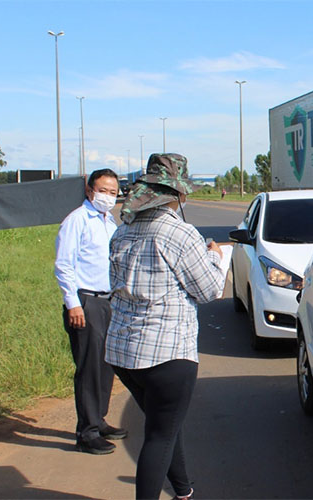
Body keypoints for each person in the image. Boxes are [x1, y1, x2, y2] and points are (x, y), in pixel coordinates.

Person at [106, 153, 225, 500]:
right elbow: (208, 291)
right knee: (159, 435)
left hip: (124, 353)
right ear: (178, 194)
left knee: (165, 428)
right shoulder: (180, 233)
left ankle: (184, 490)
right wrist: (216, 259)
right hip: (167, 355)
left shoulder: (123, 229)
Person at [54, 168, 128, 455]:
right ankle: (86, 432)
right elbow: (64, 264)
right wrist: (72, 303)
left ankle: (99, 420)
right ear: (89, 190)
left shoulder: (110, 222)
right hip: (86, 302)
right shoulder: (77, 221)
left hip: (109, 301)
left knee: (106, 365)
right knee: (88, 369)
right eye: (103, 190)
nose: (108, 196)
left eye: (113, 192)